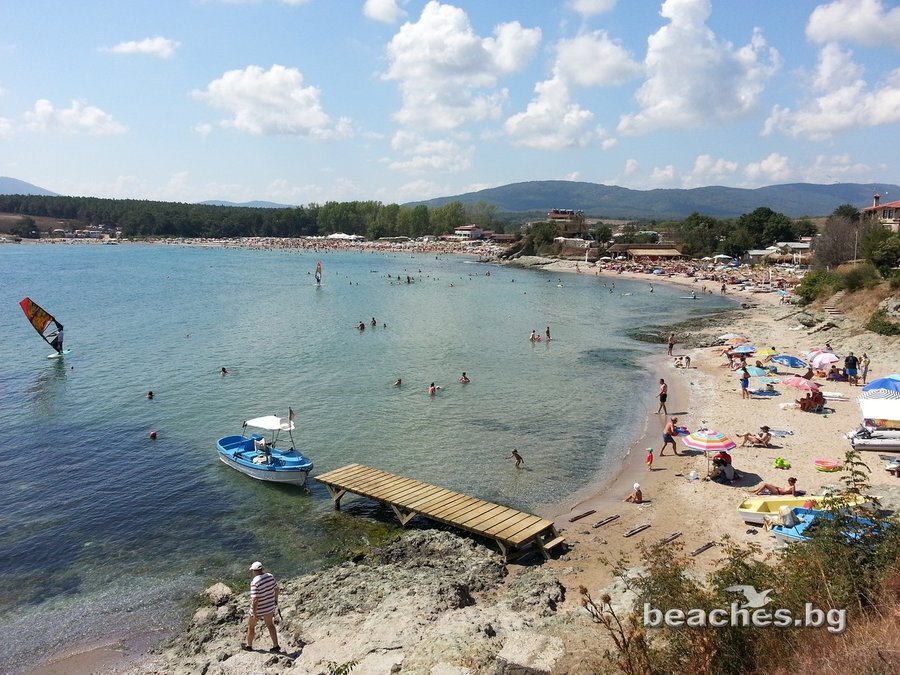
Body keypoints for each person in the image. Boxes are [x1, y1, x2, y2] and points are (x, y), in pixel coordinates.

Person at [243, 561, 281, 652]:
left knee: (251, 626)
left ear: (254, 571)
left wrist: (254, 613)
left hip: (259, 609)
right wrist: (275, 600)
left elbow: (255, 600)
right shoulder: (270, 576)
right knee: (270, 625)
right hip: (269, 606)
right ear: (261, 569)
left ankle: (249, 646)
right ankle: (276, 646)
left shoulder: (254, 582)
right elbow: (276, 589)